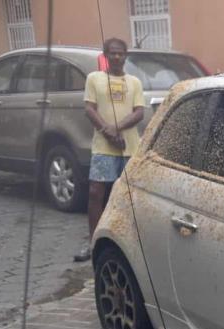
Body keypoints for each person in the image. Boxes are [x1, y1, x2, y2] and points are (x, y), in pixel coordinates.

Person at [74, 38, 144, 262]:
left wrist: (116, 128)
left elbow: (139, 112)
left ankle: (130, 241)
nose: (116, 57)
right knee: (96, 193)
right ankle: (93, 241)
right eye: (112, 53)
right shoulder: (95, 79)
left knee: (128, 195)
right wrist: (108, 132)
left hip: (129, 147)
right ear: (105, 55)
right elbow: (89, 109)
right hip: (104, 147)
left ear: (126, 56)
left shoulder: (134, 82)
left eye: (120, 53)